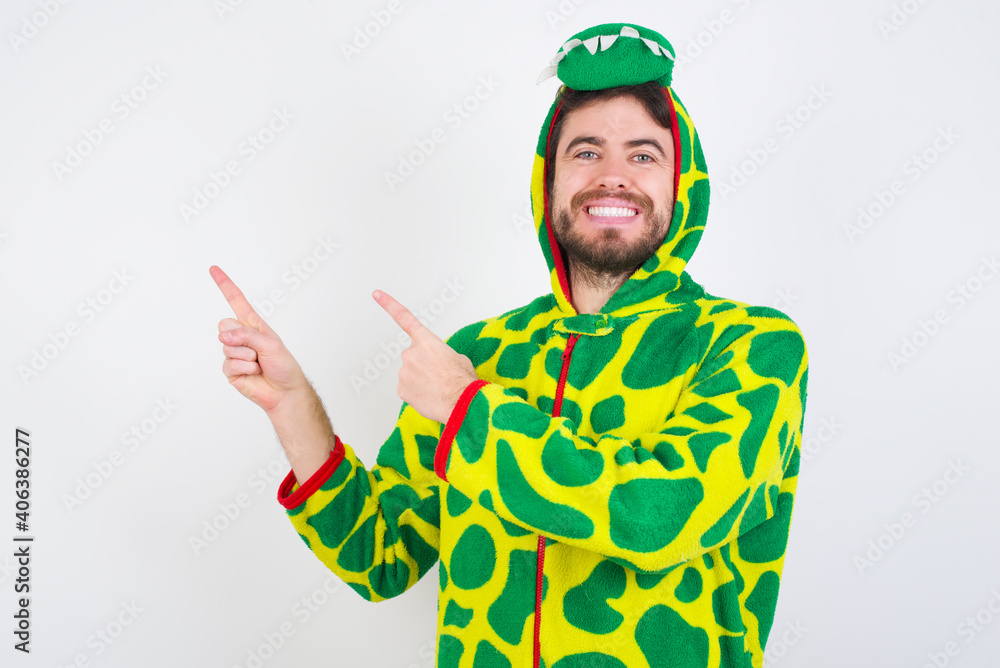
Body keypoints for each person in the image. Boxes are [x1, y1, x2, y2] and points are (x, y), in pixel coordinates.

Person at [211, 22, 809, 668]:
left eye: (643, 155)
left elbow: (658, 518)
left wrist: (468, 411)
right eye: (585, 152)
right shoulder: (480, 355)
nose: (613, 177)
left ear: (682, 182)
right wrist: (296, 410)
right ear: (547, 182)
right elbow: (380, 556)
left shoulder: (753, 347)